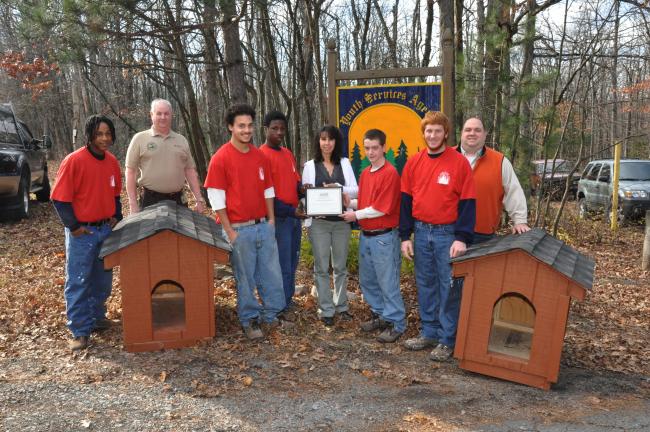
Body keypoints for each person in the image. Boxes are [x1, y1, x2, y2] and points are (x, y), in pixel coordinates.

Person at [204, 104, 286, 340]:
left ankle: (271, 315)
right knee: (246, 278)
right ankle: (249, 319)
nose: (246, 130)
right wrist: (229, 231)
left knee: (271, 273)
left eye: (249, 125)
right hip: (239, 229)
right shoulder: (221, 158)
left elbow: (268, 189)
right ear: (231, 127)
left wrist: (271, 221)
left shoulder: (259, 155)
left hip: (263, 226)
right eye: (241, 126)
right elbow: (216, 197)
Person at [400, 111, 476, 361]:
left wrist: (461, 237)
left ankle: (447, 339)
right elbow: (406, 201)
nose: (432, 135)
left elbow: (467, 202)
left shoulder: (458, 162)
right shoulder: (414, 162)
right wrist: (405, 236)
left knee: (449, 286)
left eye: (437, 131)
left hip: (447, 234)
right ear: (423, 133)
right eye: (428, 131)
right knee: (425, 284)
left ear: (445, 133)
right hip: (421, 232)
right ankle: (429, 332)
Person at [51, 115, 123, 351]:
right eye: (99, 134)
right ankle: (80, 330)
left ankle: (96, 318)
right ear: (90, 135)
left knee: (102, 280)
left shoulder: (112, 161)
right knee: (79, 280)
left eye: (107, 134)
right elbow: (60, 199)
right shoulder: (74, 161)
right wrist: (74, 227)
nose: (104, 138)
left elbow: (115, 194)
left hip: (105, 230)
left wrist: (117, 216)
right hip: (83, 232)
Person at [341, 129, 405, 343]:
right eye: (367, 148)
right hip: (366, 235)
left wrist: (355, 214)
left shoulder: (390, 174)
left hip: (384, 237)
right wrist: (347, 203)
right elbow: (366, 203)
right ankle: (380, 315)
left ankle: (397, 322)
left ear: (384, 148)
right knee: (368, 280)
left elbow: (381, 208)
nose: (370, 152)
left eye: (375, 148)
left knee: (387, 281)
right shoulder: (366, 173)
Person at [302, 125, 358, 326]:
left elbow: (356, 190)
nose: (327, 143)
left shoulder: (344, 163)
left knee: (340, 266)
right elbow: (306, 195)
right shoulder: (310, 165)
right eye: (323, 139)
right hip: (319, 223)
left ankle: (341, 305)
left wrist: (338, 188)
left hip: (341, 222)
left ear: (336, 142)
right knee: (321, 267)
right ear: (318, 141)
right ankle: (326, 309)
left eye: (331, 139)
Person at [125, 98, 205, 214]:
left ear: (171, 115)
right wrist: (132, 203)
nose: (163, 117)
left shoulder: (181, 140)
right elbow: (130, 172)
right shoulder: (139, 139)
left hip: (178, 200)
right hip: (151, 200)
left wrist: (198, 199)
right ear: (151, 115)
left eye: (166, 113)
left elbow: (189, 171)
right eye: (159, 113)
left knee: (180, 233)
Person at [259, 111, 304, 314]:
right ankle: (278, 305)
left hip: (294, 220)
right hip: (278, 219)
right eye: (274, 128)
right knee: (280, 264)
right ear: (265, 129)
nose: (279, 132)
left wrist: (303, 190)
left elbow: (294, 182)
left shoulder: (287, 153)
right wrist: (290, 211)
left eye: (282, 129)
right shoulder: (261, 156)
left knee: (292, 261)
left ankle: (287, 300)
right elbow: (266, 195)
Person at [458, 117, 530, 242]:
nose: (472, 133)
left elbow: (513, 191)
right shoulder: (447, 157)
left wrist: (520, 221)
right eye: (468, 130)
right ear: (462, 133)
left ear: (485, 134)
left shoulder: (500, 161)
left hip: (483, 236)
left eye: (477, 130)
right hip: (448, 233)